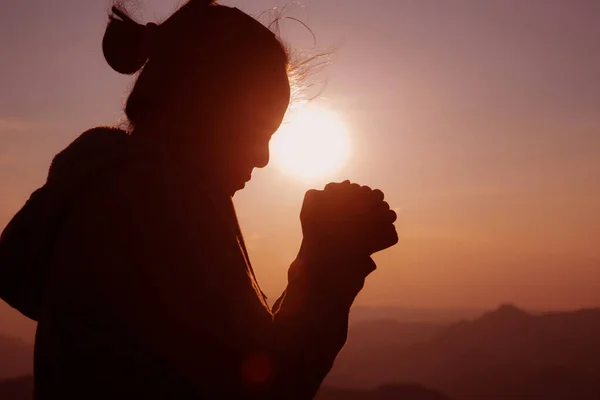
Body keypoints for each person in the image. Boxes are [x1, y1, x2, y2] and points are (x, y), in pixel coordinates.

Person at [26, 1, 398, 399]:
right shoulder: (160, 204)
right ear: (203, 108)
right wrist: (332, 258)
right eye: (257, 132)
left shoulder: (110, 193)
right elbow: (267, 386)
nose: (263, 158)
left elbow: (242, 360)